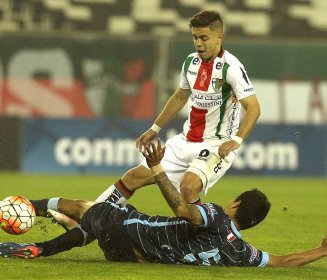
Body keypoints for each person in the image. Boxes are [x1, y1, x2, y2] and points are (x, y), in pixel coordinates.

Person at [29, 10, 261, 221]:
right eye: (194, 38)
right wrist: (154, 129)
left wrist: (236, 140)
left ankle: (210, 235)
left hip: (215, 144)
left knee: (188, 188)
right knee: (133, 178)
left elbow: (253, 108)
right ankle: (90, 220)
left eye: (204, 38)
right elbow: (180, 97)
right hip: (184, 141)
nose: (198, 43)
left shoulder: (232, 68)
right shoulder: (190, 63)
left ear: (219, 37)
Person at [0, 141, 327, 267]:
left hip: (130, 230)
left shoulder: (214, 215)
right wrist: (322, 251)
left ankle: (35, 244)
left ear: (235, 203)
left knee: (80, 207)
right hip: (133, 257)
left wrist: (157, 169)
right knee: (88, 224)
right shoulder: (241, 253)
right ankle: (42, 239)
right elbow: (284, 262)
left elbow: (183, 210)